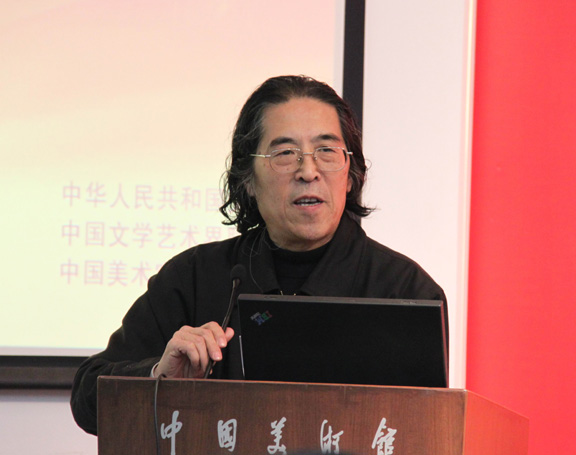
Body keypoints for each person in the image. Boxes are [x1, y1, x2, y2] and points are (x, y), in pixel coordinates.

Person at [70, 75, 447, 435]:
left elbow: (430, 430)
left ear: (350, 174)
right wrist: (159, 378)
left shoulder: (405, 291)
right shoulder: (194, 277)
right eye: (285, 153)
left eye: (327, 151)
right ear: (247, 179)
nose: (308, 171)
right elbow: (88, 399)